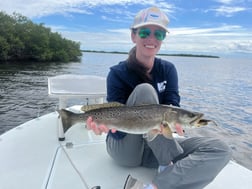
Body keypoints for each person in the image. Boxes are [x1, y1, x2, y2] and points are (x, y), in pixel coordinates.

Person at [87, 7, 231, 189]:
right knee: (145, 91)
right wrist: (105, 126)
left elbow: (173, 106)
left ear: (163, 39)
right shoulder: (117, 73)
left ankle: (156, 185)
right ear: (133, 36)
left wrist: (177, 125)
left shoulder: (168, 69)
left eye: (159, 34)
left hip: (155, 145)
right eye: (145, 32)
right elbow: (119, 131)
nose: (152, 39)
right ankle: (167, 163)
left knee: (220, 149)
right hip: (125, 149)